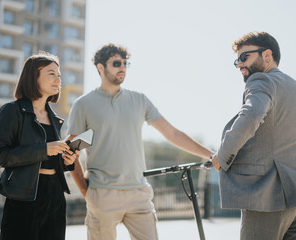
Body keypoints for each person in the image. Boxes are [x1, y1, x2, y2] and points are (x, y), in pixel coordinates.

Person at [67, 43, 213, 240]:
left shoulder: (139, 100)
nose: (123, 68)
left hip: (139, 194)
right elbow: (71, 152)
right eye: (117, 63)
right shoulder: (83, 104)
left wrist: (211, 155)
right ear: (100, 67)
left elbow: (172, 133)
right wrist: (87, 192)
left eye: (126, 63)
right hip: (102, 194)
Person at [211, 31, 296, 240]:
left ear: (267, 55)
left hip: (270, 195)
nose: (240, 64)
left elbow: (251, 115)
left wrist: (221, 158)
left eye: (244, 57)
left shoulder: (262, 80)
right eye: (237, 60)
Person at [0, 52, 79, 240]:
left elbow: (49, 160)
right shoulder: (12, 111)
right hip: (23, 197)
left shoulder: (54, 118)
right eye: (51, 74)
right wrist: (44, 149)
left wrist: (67, 162)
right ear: (33, 77)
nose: (58, 79)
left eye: (59, 75)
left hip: (55, 195)